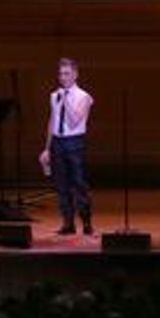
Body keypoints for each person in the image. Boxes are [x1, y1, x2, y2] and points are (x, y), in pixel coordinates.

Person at [38, 58, 94, 235]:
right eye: (60, 73)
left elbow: (75, 118)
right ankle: (68, 223)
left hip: (75, 142)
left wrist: (66, 99)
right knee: (61, 185)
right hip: (58, 143)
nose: (63, 77)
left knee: (79, 184)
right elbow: (52, 121)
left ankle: (86, 222)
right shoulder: (54, 96)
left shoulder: (84, 97)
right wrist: (47, 148)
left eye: (67, 73)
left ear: (75, 75)